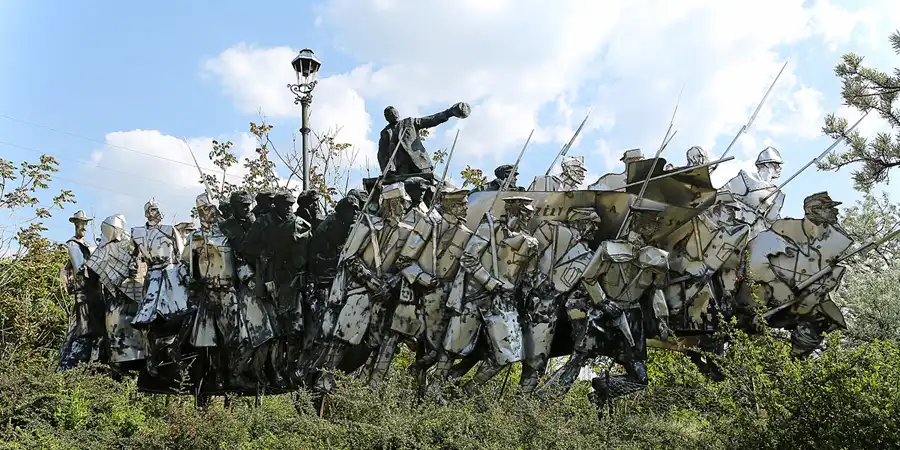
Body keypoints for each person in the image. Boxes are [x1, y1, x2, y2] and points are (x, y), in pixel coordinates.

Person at [58, 210, 104, 370]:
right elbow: (80, 267)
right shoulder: (72, 244)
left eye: (84, 223)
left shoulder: (89, 244)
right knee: (85, 325)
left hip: (94, 287)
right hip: (83, 288)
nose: (82, 227)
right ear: (75, 225)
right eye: (79, 224)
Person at [377, 103, 471, 176]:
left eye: (395, 112)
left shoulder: (409, 122)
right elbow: (382, 154)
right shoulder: (386, 132)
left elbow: (431, 120)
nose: (394, 114)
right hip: (402, 168)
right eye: (390, 114)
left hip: (420, 163)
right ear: (386, 118)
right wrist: (386, 171)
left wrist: (449, 113)